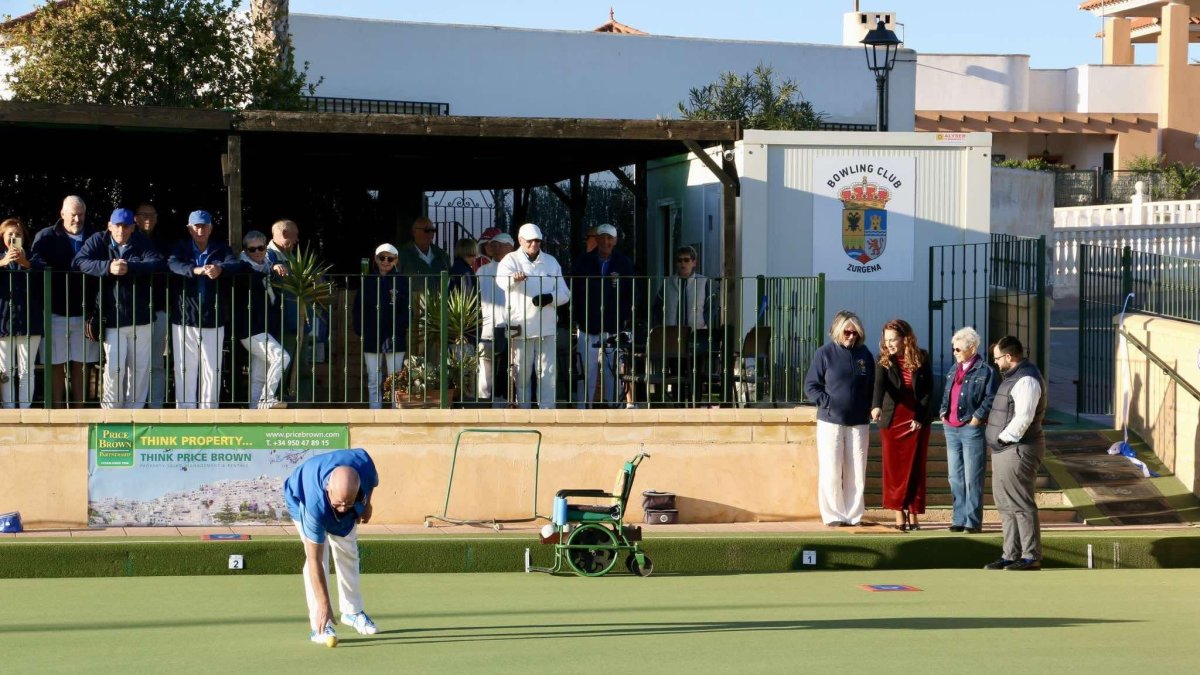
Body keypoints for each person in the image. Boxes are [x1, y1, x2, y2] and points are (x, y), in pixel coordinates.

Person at [283, 448, 380, 645]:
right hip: (299, 498)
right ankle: (320, 623)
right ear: (328, 487)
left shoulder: (365, 466)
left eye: (348, 502)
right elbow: (314, 559)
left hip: (343, 493)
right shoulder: (314, 506)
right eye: (339, 503)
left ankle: (352, 612)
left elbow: (371, 485)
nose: (343, 508)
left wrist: (366, 505)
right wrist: (325, 604)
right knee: (321, 554)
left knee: (349, 550)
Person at [73, 208, 165, 409]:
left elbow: (157, 262)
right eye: (117, 225)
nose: (121, 230)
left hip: (141, 317)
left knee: (140, 368)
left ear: (132, 227)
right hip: (111, 318)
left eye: (125, 226)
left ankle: (136, 412)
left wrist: (130, 267)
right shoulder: (98, 240)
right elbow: (79, 262)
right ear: (109, 225)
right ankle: (111, 413)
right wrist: (107, 267)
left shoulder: (141, 240)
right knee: (114, 368)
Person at [803, 310, 874, 527]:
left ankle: (853, 515)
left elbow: (872, 384)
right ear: (837, 331)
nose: (851, 336)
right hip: (830, 421)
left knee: (856, 471)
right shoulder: (824, 353)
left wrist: (870, 407)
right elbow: (811, 386)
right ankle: (833, 515)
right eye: (847, 332)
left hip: (859, 421)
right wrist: (827, 402)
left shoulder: (865, 354)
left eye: (855, 333)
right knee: (831, 469)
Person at [984, 336, 1047, 571]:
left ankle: (1030, 555)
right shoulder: (1013, 377)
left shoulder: (1027, 379)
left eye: (997, 358)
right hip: (1004, 450)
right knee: (1005, 504)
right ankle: (1010, 554)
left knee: (1020, 503)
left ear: (1009, 357)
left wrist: (1003, 438)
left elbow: (1024, 417)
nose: (996, 363)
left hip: (1018, 448)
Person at [167, 210, 242, 409]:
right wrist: (194, 270)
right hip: (184, 317)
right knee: (184, 369)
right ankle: (185, 415)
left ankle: (209, 415)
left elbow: (235, 264)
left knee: (212, 369)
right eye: (196, 226)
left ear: (210, 228)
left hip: (213, 316)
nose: (200, 230)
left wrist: (220, 269)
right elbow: (172, 264)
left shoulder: (220, 248)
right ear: (189, 229)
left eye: (204, 226)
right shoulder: (180, 247)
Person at [30, 195, 100, 406]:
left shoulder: (94, 236)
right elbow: (35, 263)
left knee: (82, 363)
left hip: (86, 311)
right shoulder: (46, 236)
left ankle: (80, 409)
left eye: (81, 215)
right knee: (55, 363)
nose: (77, 219)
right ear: (62, 214)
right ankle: (57, 410)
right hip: (54, 310)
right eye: (73, 215)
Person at [495, 223, 570, 409]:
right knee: (522, 375)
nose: (534, 244)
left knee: (548, 372)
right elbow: (501, 282)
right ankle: (524, 411)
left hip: (547, 327)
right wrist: (514, 279)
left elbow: (565, 294)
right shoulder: (510, 260)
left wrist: (549, 298)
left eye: (537, 241)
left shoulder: (551, 262)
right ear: (521, 240)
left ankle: (547, 412)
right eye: (529, 241)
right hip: (521, 327)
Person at [870, 319, 934, 532]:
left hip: (917, 418)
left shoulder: (922, 357)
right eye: (886, 339)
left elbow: (927, 392)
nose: (888, 344)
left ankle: (914, 515)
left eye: (893, 339)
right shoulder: (883, 359)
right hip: (893, 419)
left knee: (916, 468)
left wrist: (918, 416)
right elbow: (878, 386)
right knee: (894, 470)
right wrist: (876, 407)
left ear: (905, 339)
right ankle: (899, 514)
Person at [939, 326, 998, 534]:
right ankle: (958, 518)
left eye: (958, 349)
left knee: (973, 476)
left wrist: (977, 417)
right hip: (951, 426)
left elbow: (991, 397)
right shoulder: (954, 368)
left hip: (970, 428)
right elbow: (948, 392)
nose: (954, 353)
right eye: (953, 349)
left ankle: (972, 521)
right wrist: (943, 411)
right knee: (954, 476)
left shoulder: (986, 371)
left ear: (972, 348)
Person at [570, 223, 634, 408]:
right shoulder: (583, 262)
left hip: (614, 327)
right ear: (596, 239)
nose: (606, 241)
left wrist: (625, 317)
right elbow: (575, 292)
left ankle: (616, 409)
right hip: (588, 326)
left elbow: (632, 293)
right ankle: (584, 411)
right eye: (602, 237)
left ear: (615, 241)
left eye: (609, 238)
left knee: (613, 372)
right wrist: (579, 317)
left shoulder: (624, 263)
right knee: (586, 373)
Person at [234, 230, 290, 409]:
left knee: (259, 374)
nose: (257, 252)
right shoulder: (242, 267)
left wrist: (274, 265)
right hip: (250, 328)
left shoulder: (268, 262)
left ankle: (254, 413)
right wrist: (272, 268)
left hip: (265, 327)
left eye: (261, 248)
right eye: (252, 249)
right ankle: (267, 398)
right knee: (282, 357)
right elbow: (254, 274)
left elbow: (272, 267)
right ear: (245, 250)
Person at [353, 244, 409, 409]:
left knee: (395, 379)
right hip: (371, 334)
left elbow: (406, 308)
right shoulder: (367, 280)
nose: (385, 261)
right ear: (375, 259)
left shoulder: (402, 281)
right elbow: (358, 308)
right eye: (381, 258)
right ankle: (374, 412)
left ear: (396, 260)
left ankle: (395, 412)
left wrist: (401, 326)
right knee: (373, 379)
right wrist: (361, 329)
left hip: (394, 334)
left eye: (389, 258)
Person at [0, 218, 43, 408]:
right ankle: (9, 408)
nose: (14, 237)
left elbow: (44, 275)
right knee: (5, 370)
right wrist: (3, 262)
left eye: (18, 234)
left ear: (24, 237)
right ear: (3, 237)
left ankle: (25, 409)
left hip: (29, 322)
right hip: (3, 322)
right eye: (10, 234)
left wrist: (24, 262)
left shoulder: (34, 257)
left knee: (26, 370)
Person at [133, 202, 172, 408]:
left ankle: (156, 407)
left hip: (159, 309)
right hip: (133, 312)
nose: (147, 218)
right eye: (143, 214)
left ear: (157, 218)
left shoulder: (164, 244)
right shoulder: (128, 241)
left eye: (152, 214)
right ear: (135, 219)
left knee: (156, 362)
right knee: (133, 363)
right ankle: (134, 407)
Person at [475, 232, 514, 404]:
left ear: (510, 247)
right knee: (485, 371)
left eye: (500, 244)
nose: (495, 247)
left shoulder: (516, 270)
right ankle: (483, 406)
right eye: (493, 244)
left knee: (508, 371)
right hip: (486, 328)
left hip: (510, 329)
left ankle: (504, 405)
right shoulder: (482, 271)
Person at [652, 245, 712, 329]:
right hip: (671, 332)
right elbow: (657, 305)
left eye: (686, 260)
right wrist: (661, 324)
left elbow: (711, 306)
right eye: (679, 260)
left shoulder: (703, 282)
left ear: (694, 263)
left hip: (696, 332)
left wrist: (704, 322)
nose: (682, 263)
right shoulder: (668, 282)